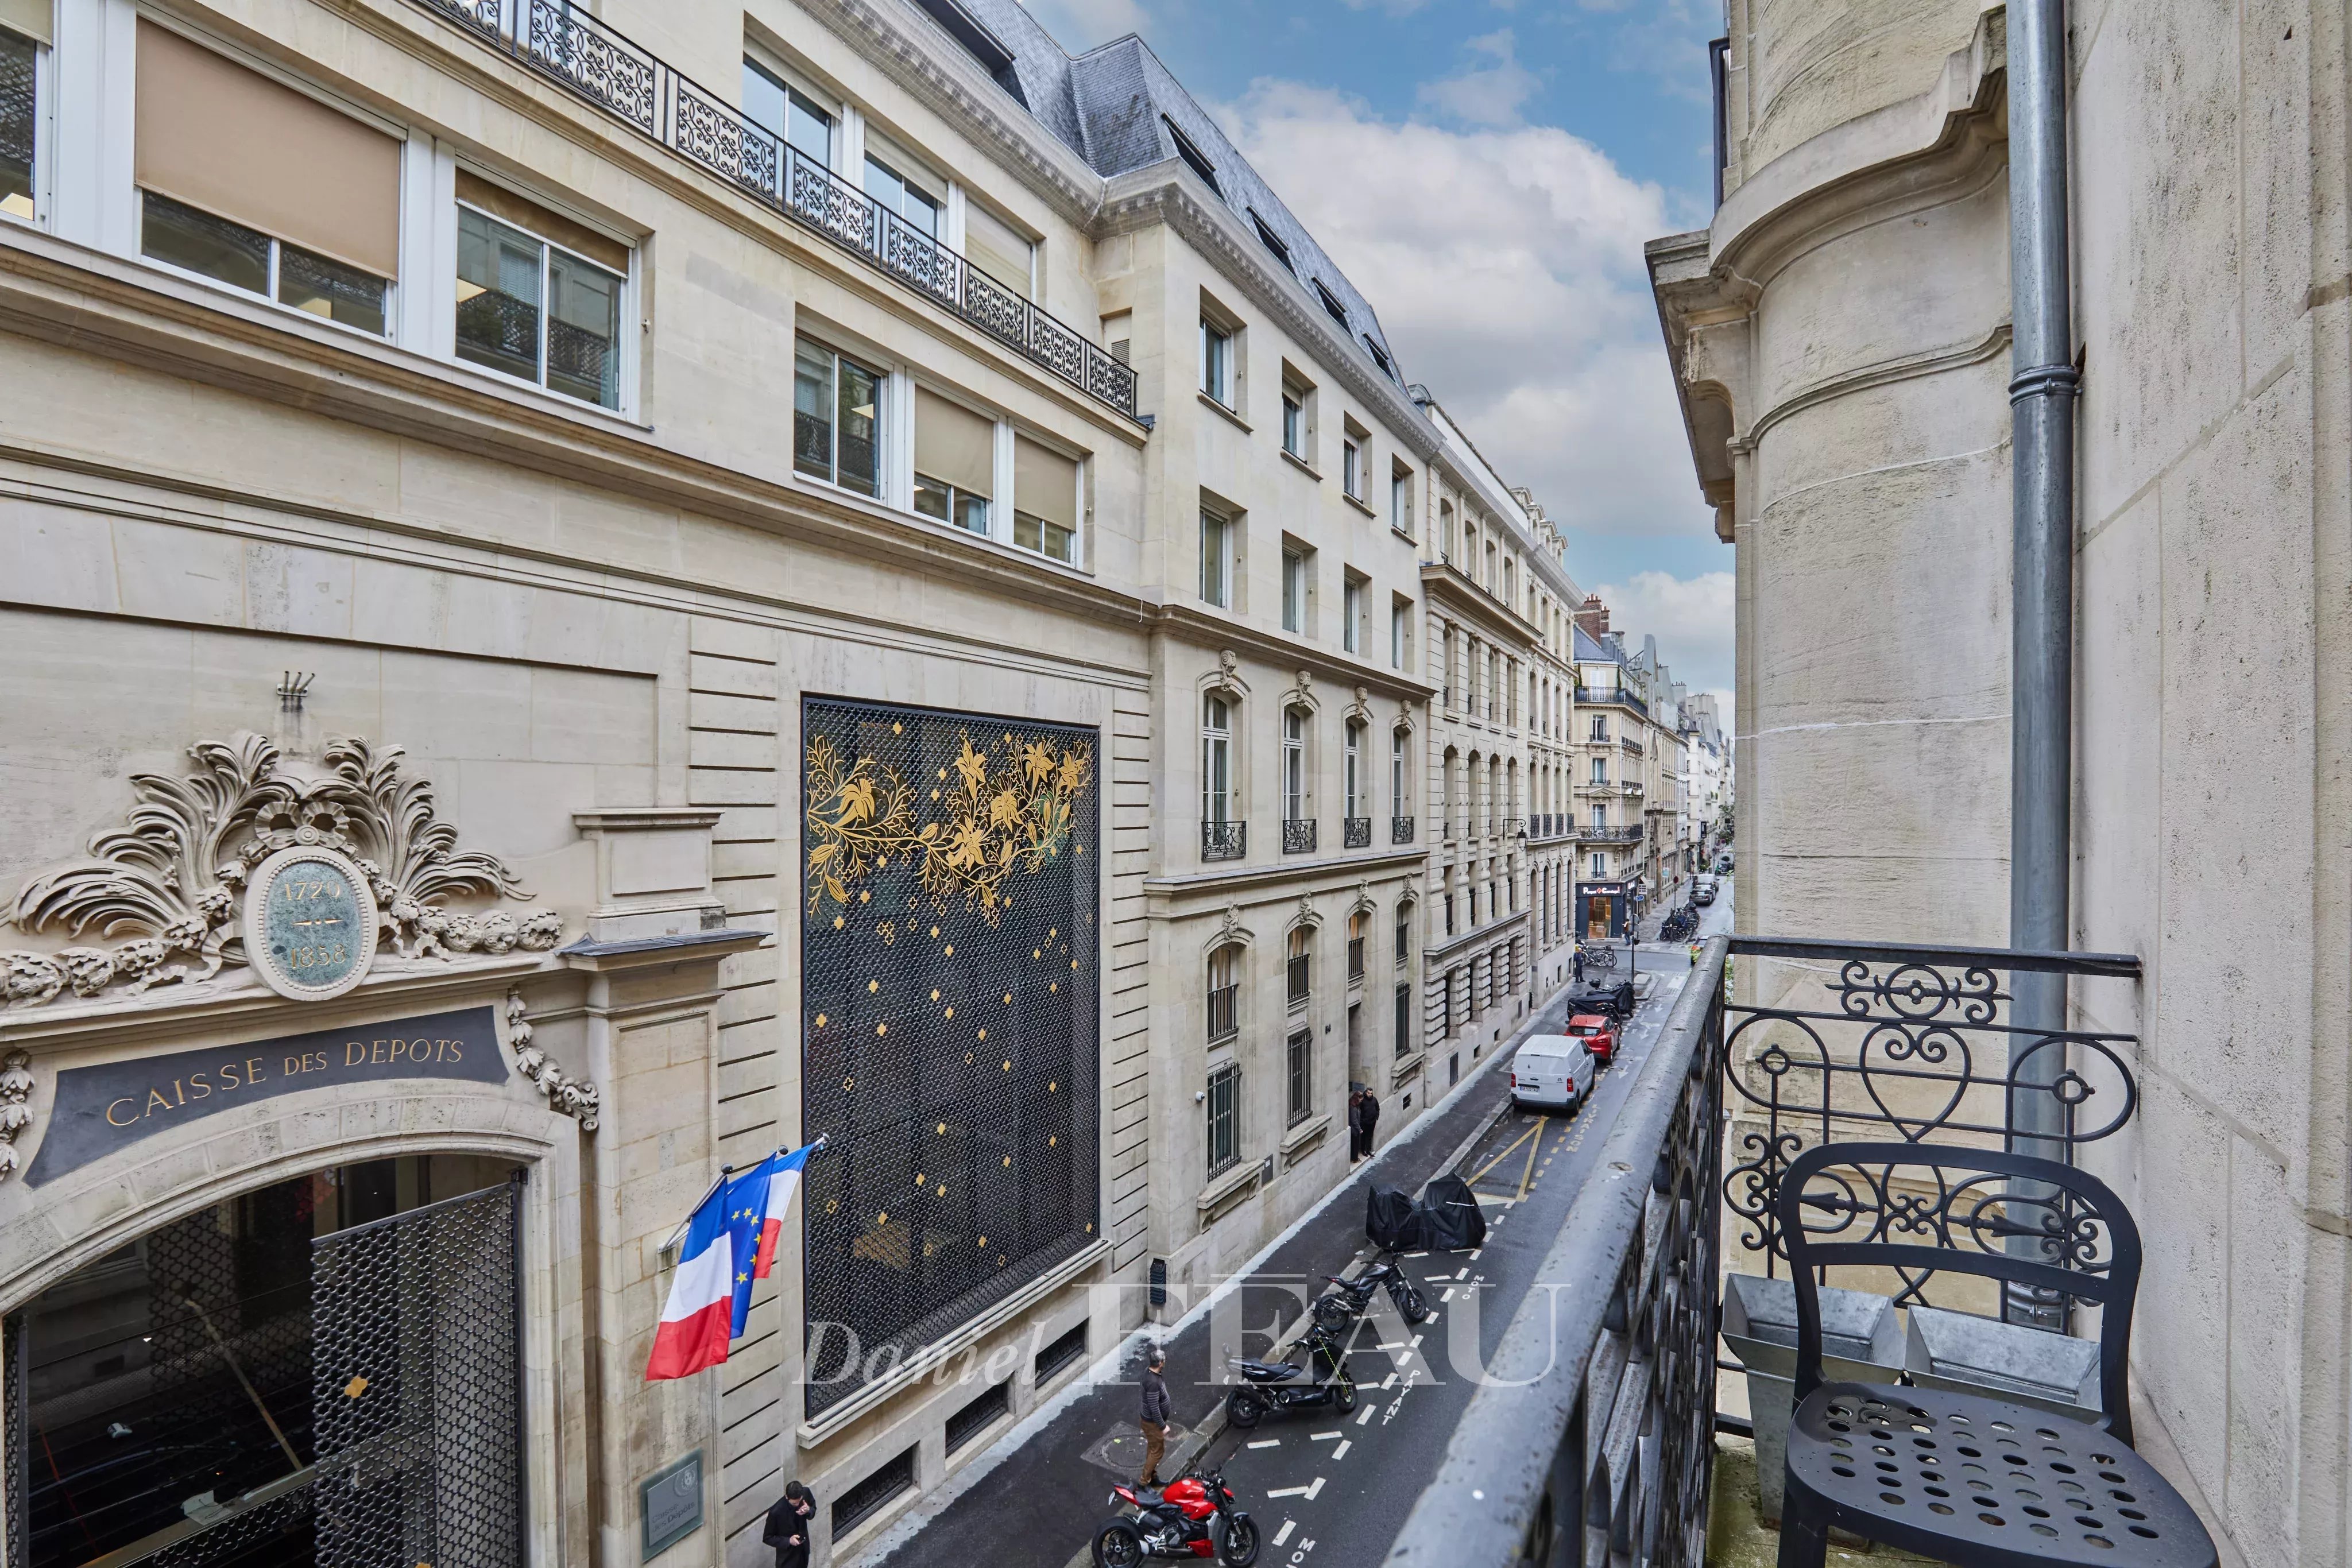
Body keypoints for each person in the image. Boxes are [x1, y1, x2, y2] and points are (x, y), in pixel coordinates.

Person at [763, 1480, 814, 1568]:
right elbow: (767, 1538)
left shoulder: (806, 1492)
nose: (798, 1504)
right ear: (787, 1497)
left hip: (803, 1551)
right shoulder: (776, 1512)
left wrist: (808, 1510)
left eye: (800, 1501)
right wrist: (788, 1541)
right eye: (794, 1503)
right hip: (787, 1559)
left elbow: (813, 1510)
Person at [1139, 1345, 1171, 1487]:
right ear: (1160, 1364)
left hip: (1152, 1421)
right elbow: (1154, 1408)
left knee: (1153, 1449)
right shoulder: (1153, 1382)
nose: (1164, 1363)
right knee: (1157, 1451)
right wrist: (1163, 1426)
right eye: (1163, 1361)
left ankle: (1152, 1477)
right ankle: (1144, 1483)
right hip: (1152, 1423)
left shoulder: (1150, 1373)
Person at [1358, 1090, 1380, 1156]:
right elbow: (1359, 1110)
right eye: (1368, 1093)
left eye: (1371, 1093)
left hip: (1372, 1122)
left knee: (1370, 1136)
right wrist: (1362, 1120)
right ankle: (1363, 1150)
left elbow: (1378, 1108)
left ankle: (1369, 1150)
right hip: (1364, 1122)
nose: (1370, 1094)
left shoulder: (1374, 1099)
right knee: (1364, 1137)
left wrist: (1377, 1117)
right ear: (1366, 1093)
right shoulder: (1363, 1101)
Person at [1347, 1089, 1365, 1160]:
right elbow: (1354, 1120)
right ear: (1357, 1099)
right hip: (1354, 1130)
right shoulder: (1353, 1108)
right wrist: (1359, 1129)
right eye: (1361, 1100)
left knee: (1355, 1144)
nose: (1361, 1101)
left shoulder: (1355, 1106)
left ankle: (1354, 1158)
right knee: (1355, 1144)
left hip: (1354, 1129)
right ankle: (1354, 1158)